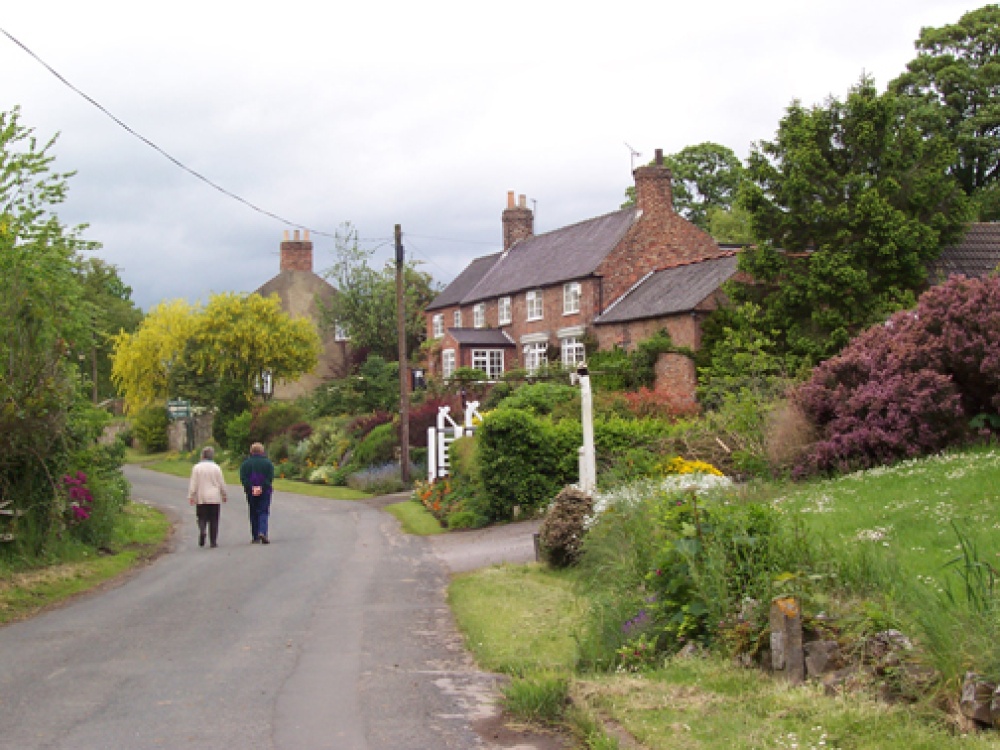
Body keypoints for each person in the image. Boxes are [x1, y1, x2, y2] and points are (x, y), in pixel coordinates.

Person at [187, 446, 228, 548]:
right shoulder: (216, 468)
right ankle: (213, 541)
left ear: (202, 456)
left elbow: (193, 483)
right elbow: (221, 482)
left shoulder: (196, 468)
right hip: (214, 497)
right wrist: (224, 494)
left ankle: (202, 530)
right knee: (214, 519)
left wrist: (191, 495)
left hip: (201, 496)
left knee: (201, 517)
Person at [239, 442, 275, 544]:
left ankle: (255, 536)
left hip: (250, 491)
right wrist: (261, 487)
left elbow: (243, 478)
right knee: (263, 511)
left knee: (253, 512)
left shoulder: (245, 464)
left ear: (251, 451)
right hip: (265, 491)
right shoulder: (268, 463)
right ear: (262, 451)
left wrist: (251, 487)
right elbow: (270, 478)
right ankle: (262, 531)